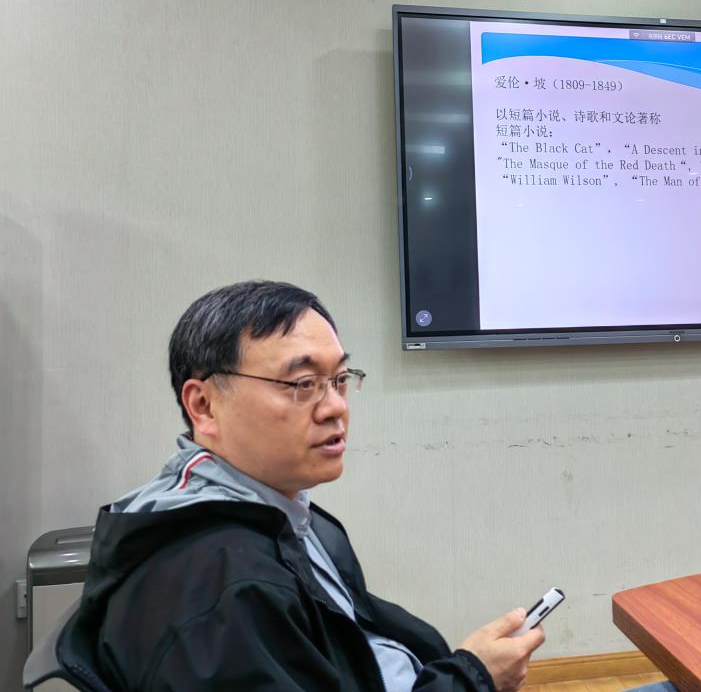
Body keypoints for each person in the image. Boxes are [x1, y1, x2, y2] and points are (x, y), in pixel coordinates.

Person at [72, 280, 545, 691]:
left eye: (339, 379)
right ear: (204, 406)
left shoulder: (275, 507)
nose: (335, 406)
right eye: (302, 384)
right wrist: (473, 677)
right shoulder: (223, 594)